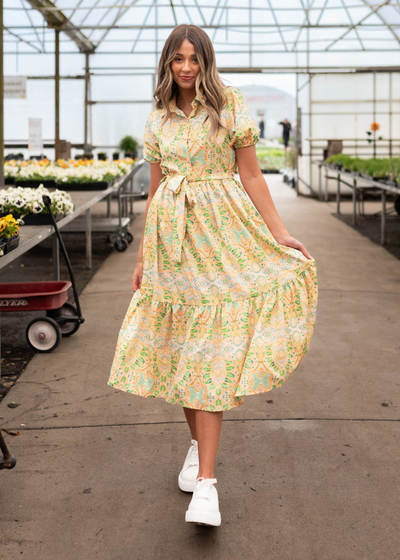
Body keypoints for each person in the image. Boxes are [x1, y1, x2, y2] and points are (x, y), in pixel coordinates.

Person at [108, 24, 318, 527]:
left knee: (211, 351)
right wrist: (142, 258)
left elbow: (250, 175)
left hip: (223, 238)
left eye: (193, 59)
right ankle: (197, 450)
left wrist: (281, 233)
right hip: (172, 245)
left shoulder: (229, 104)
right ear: (167, 63)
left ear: (206, 61)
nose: (185, 67)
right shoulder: (157, 119)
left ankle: (207, 484)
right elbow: (155, 192)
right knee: (185, 351)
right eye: (177, 59)